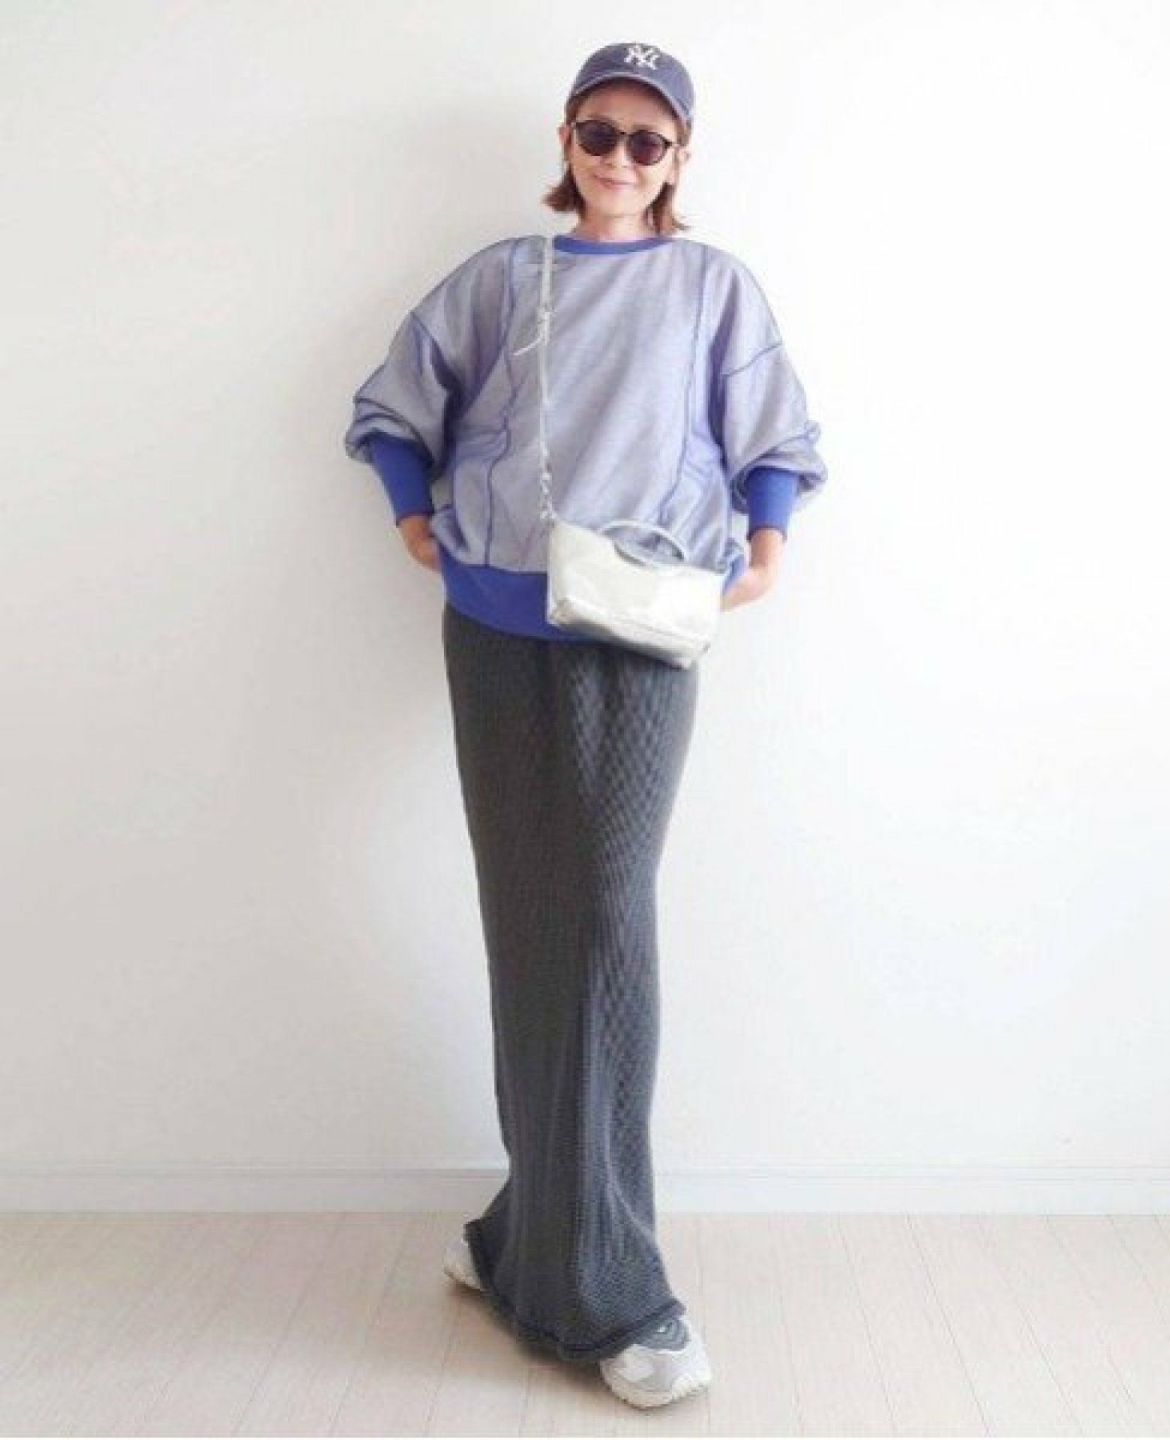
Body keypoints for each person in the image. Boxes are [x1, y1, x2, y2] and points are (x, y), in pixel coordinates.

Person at [342, 40, 828, 1409]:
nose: (620, 159)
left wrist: (768, 545)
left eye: (647, 141)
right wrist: (413, 515)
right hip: (498, 625)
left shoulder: (712, 287)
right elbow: (394, 405)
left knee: (607, 916)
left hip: (645, 629)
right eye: (599, 133)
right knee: (529, 921)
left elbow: (775, 436)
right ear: (566, 140)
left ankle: (606, 1283)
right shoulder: (504, 277)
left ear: (680, 160)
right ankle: (527, 1240)